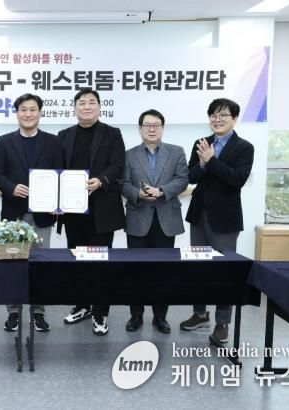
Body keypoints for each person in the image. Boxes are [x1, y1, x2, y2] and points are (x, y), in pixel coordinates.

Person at [179, 98, 254, 344]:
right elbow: (190, 177)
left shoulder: (244, 147)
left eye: (223, 115)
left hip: (225, 220)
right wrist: (202, 164)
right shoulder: (201, 143)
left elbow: (237, 179)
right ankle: (200, 314)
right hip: (199, 215)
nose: (217, 119)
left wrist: (211, 162)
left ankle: (223, 322)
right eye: (213, 115)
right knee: (198, 268)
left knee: (225, 270)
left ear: (235, 118)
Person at [0, 93, 64, 333]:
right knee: (11, 265)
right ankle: (13, 312)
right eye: (23, 109)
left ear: (40, 113)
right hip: (12, 214)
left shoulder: (53, 142)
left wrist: (57, 201)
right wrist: (11, 188)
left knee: (40, 265)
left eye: (32, 109)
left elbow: (60, 174)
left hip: (42, 214)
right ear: (17, 113)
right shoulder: (4, 141)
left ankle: (38, 312)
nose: (28, 114)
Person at [57, 88, 126, 336]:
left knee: (100, 264)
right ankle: (82, 305)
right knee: (77, 263)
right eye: (82, 103)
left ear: (99, 107)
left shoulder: (112, 133)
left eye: (91, 102)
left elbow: (118, 165)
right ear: (75, 108)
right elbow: (57, 170)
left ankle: (100, 312)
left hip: (102, 210)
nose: (86, 106)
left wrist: (101, 180)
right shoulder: (64, 135)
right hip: (73, 211)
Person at [121, 109, 189, 334]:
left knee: (163, 272)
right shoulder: (128, 155)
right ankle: (136, 315)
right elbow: (123, 183)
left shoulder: (176, 152)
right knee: (135, 272)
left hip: (166, 219)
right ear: (140, 128)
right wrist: (137, 194)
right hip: (138, 218)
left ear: (162, 128)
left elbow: (182, 179)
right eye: (147, 125)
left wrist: (161, 191)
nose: (152, 129)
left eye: (156, 125)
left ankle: (160, 316)